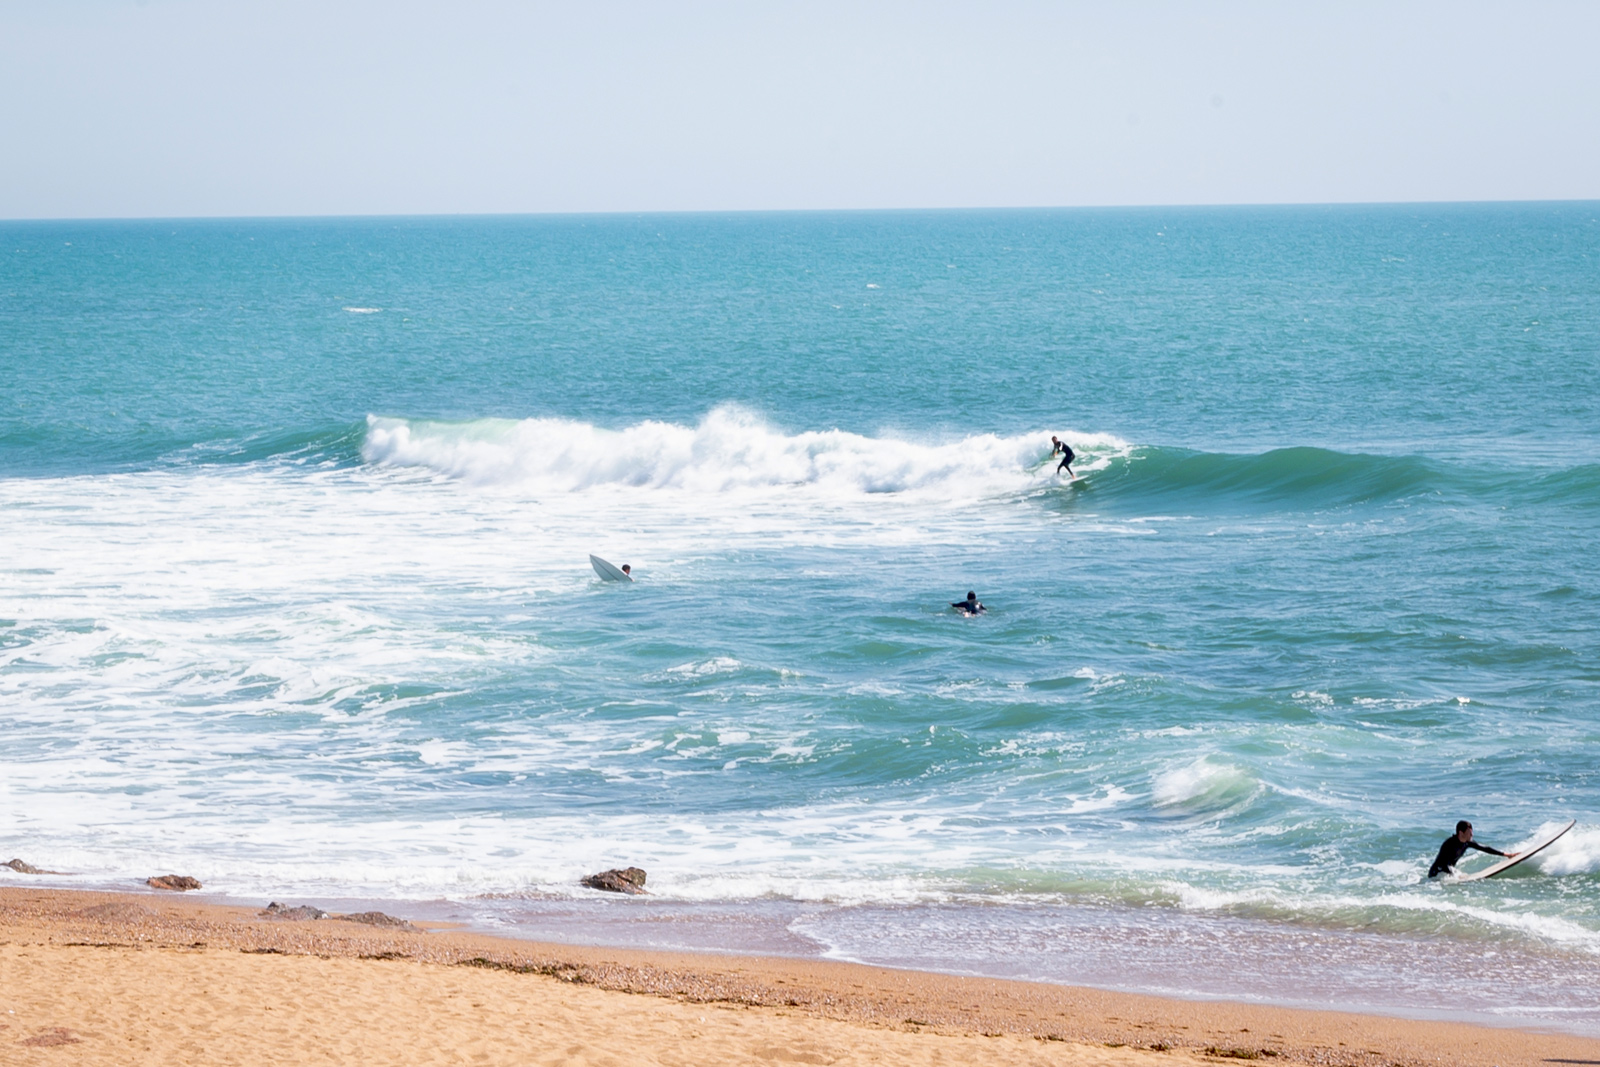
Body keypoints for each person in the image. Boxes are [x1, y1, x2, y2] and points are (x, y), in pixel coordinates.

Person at [1429, 820, 1513, 878]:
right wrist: (1455, 877)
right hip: (1436, 875)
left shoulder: (1467, 842)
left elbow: (1484, 848)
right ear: (1461, 833)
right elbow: (1444, 865)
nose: (1472, 834)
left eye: (1472, 831)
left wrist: (1505, 854)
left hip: (1446, 873)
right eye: (1469, 832)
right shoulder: (1449, 844)